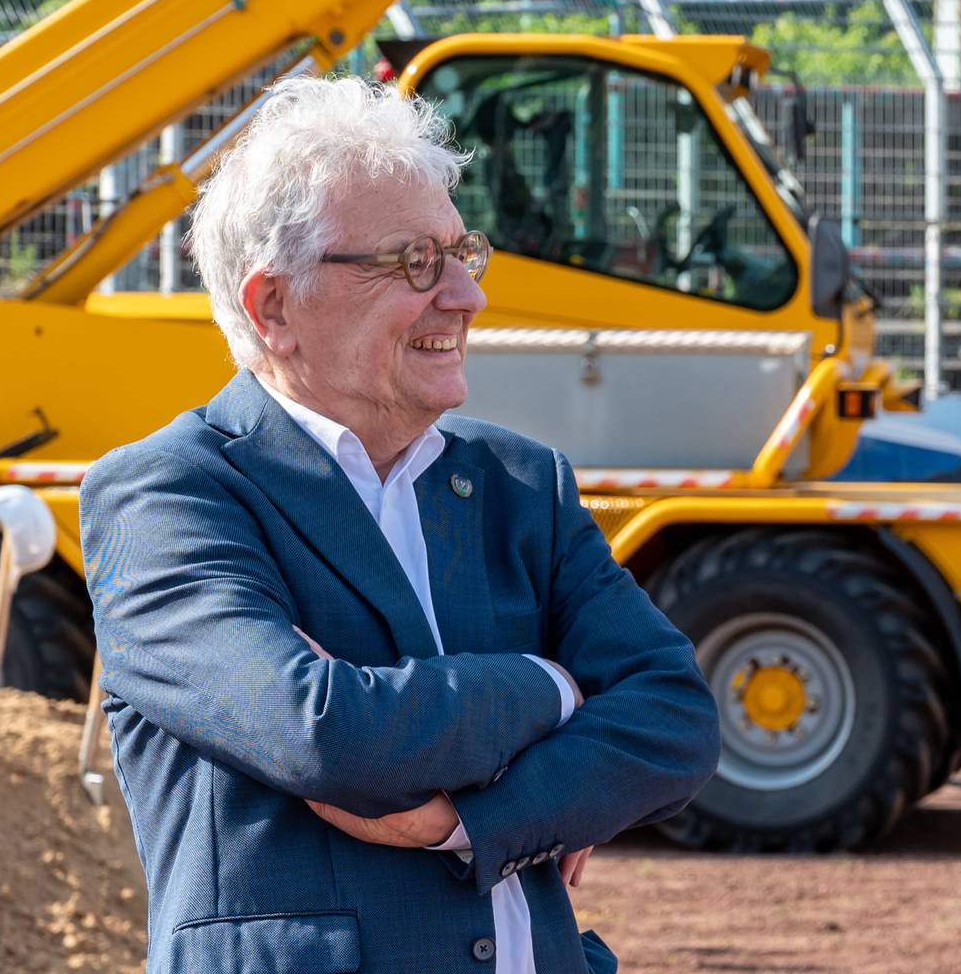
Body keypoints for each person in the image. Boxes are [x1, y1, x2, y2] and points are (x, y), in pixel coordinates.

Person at [82, 76, 720, 974]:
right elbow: (324, 732)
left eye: (462, 254)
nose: (464, 296)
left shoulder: (519, 484)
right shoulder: (169, 494)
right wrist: (555, 689)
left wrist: (477, 820)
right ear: (274, 307)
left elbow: (677, 717)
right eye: (414, 261)